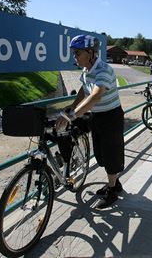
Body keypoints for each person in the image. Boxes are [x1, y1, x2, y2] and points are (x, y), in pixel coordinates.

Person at [56, 34, 124, 209]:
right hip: (97, 116)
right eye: (74, 53)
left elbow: (95, 95)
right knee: (101, 154)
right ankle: (114, 183)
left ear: (90, 52)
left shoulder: (103, 70)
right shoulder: (87, 71)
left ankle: (112, 191)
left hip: (111, 116)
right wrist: (72, 107)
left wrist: (71, 116)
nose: (74, 56)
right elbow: (84, 90)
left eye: (77, 53)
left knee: (110, 154)